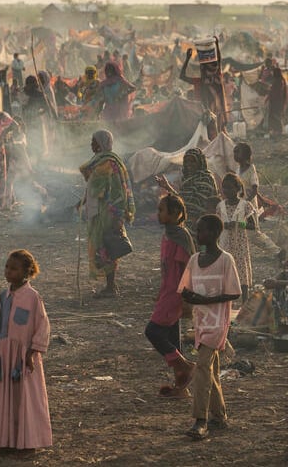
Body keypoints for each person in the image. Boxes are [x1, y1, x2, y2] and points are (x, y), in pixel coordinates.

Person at [0, 250, 52, 455]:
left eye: (14, 269)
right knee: (5, 397)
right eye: (7, 267)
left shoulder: (32, 297)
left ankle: (28, 443)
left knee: (25, 398)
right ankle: (7, 440)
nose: (8, 272)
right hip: (5, 354)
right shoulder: (4, 295)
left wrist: (31, 353)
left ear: (27, 272)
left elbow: (42, 326)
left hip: (23, 357)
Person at [178, 215, 240, 440]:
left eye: (201, 231)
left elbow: (235, 292)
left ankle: (200, 420)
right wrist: (191, 297)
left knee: (202, 367)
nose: (197, 234)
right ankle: (219, 415)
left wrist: (205, 300)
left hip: (217, 322)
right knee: (210, 369)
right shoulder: (195, 259)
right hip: (200, 321)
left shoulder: (226, 260)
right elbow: (184, 288)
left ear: (214, 233)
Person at [145, 193, 196, 399]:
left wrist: (185, 299)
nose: (158, 214)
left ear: (175, 214)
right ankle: (181, 388)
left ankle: (185, 365)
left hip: (176, 293)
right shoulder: (168, 234)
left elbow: (187, 268)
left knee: (153, 331)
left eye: (161, 211)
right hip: (168, 290)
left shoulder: (180, 237)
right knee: (173, 338)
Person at [80, 130, 135, 297]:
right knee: (102, 247)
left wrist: (118, 215)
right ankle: (110, 285)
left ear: (102, 143)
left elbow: (118, 191)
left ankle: (111, 286)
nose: (91, 144)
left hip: (108, 213)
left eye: (94, 141)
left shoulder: (109, 163)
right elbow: (93, 186)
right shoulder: (99, 162)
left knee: (108, 246)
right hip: (99, 211)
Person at [157, 148, 219, 230]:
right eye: (186, 161)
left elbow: (200, 205)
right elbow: (183, 202)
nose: (189, 164)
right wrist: (168, 187)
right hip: (186, 223)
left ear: (200, 162)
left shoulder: (205, 178)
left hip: (201, 225)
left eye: (192, 161)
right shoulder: (186, 180)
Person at [216, 173, 257, 296]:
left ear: (238, 188)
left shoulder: (245, 205)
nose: (226, 191)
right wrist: (224, 225)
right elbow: (217, 225)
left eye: (229, 187)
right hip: (224, 243)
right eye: (224, 188)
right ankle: (227, 299)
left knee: (242, 271)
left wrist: (239, 225)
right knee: (225, 270)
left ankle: (244, 300)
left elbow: (253, 226)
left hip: (239, 243)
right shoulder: (220, 206)